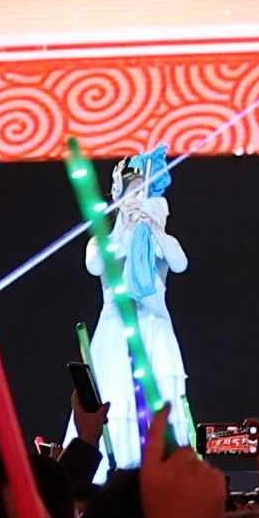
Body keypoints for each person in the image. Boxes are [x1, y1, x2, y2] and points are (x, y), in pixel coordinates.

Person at [82, 145, 189, 458]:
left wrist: (154, 230)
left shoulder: (157, 242)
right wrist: (123, 229)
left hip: (155, 330)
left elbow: (180, 263)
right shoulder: (103, 241)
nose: (135, 199)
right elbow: (96, 266)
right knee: (117, 405)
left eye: (142, 192)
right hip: (116, 335)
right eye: (130, 193)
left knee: (159, 406)